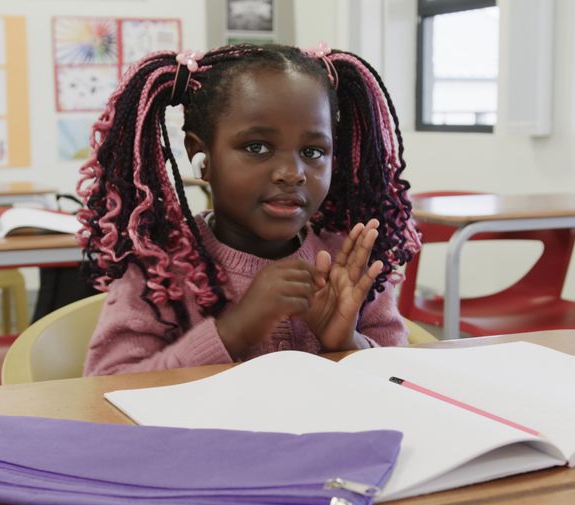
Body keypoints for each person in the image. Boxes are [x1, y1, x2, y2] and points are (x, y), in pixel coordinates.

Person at [77, 43, 420, 376]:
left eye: (314, 152)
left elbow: (399, 377)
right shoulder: (158, 269)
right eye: (257, 147)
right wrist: (232, 333)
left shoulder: (349, 262)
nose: (293, 173)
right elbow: (106, 387)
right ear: (202, 154)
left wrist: (347, 344)